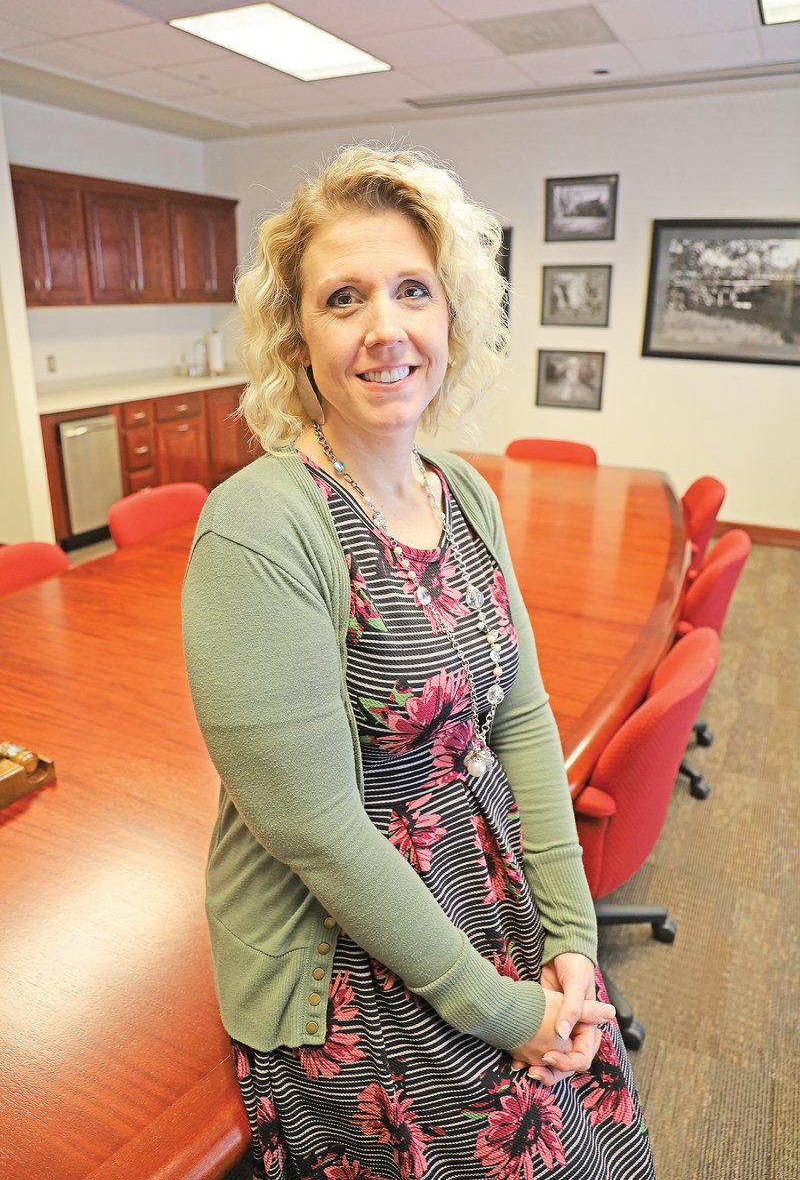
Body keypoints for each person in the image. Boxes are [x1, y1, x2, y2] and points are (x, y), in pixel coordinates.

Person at [182, 144, 654, 1180]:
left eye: (412, 291)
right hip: (348, 949)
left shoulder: (461, 493)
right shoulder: (259, 525)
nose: (384, 329)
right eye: (342, 298)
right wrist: (500, 1007)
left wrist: (569, 935)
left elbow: (519, 719)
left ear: (451, 318)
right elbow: (313, 830)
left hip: (480, 895)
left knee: (587, 1113)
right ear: (296, 336)